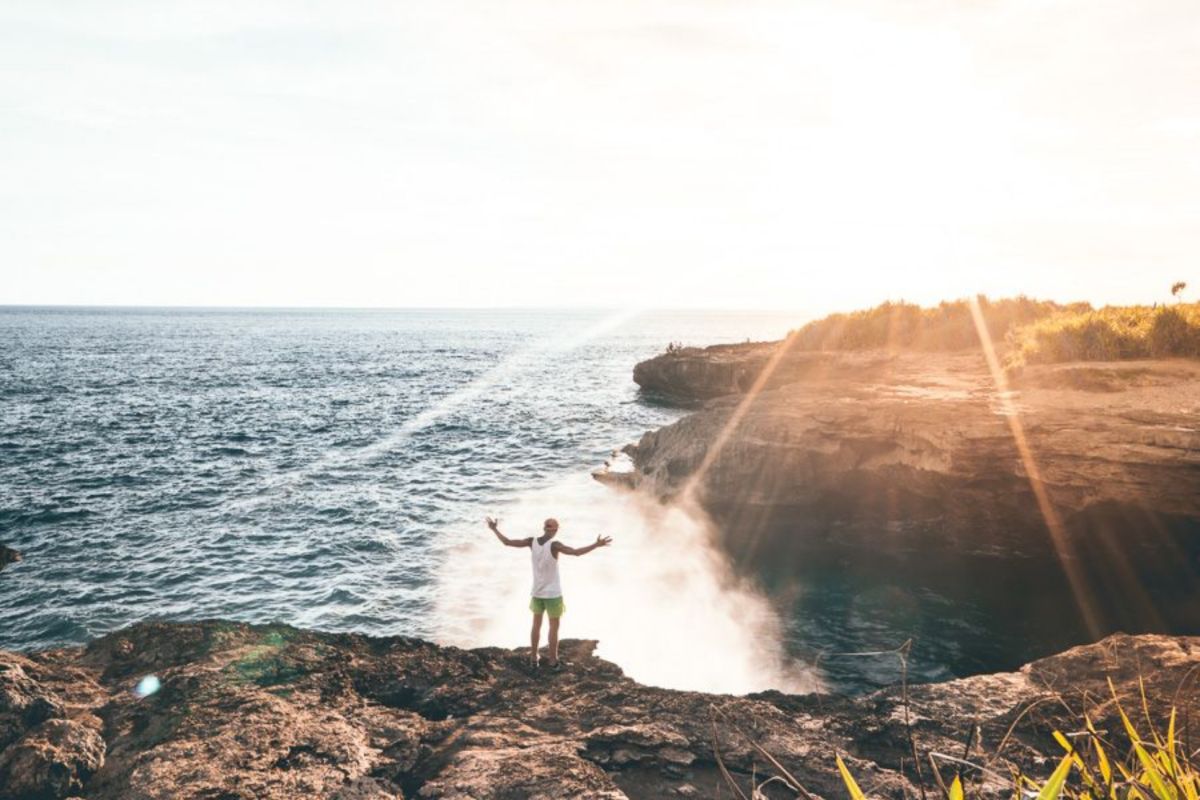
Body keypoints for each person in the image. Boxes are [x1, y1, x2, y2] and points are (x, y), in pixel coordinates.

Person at [486, 515, 611, 670]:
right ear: (554, 530)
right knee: (553, 628)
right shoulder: (555, 545)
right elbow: (575, 552)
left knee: (536, 626)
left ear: (544, 528)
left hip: (537, 592)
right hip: (552, 594)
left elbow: (507, 542)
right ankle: (553, 662)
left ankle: (533, 659)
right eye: (556, 527)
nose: (556, 529)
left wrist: (494, 529)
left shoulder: (532, 542)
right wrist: (596, 545)